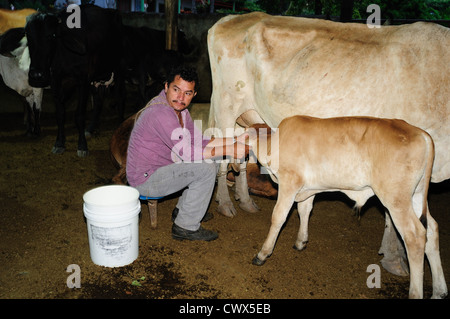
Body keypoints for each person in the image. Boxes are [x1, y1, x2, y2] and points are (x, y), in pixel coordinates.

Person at [126, 66, 249, 241]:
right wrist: (230, 150)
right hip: (145, 180)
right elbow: (187, 153)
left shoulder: (182, 112)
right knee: (205, 167)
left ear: (194, 94)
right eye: (176, 90)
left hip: (162, 169)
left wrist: (234, 140)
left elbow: (199, 142)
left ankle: (185, 210)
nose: (181, 98)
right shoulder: (160, 113)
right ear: (166, 86)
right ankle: (185, 226)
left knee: (209, 158)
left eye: (187, 93)